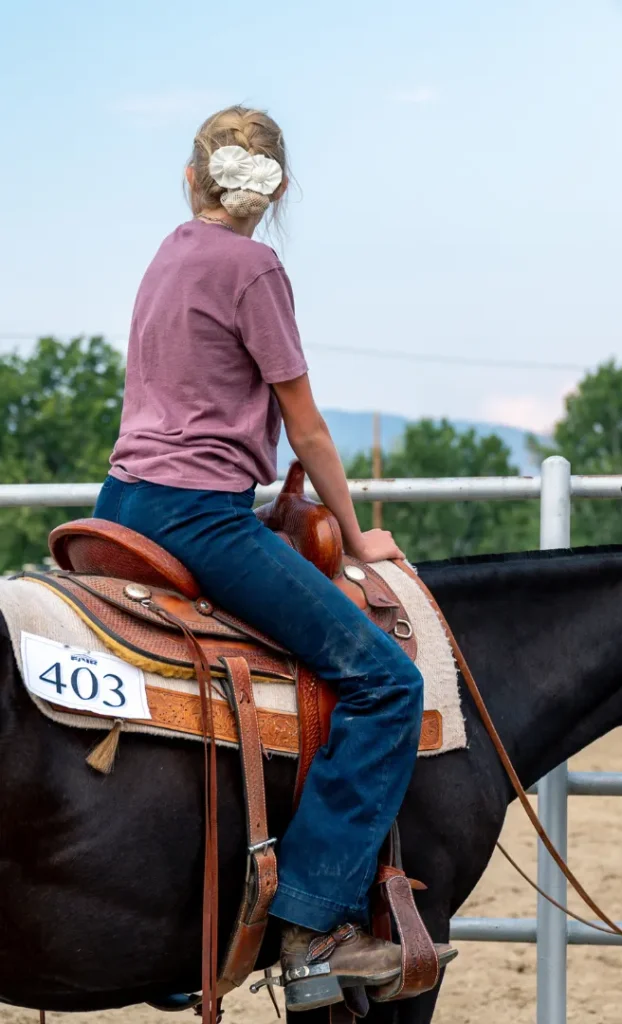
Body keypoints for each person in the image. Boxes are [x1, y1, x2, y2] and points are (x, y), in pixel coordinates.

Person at [94, 106, 453, 1007]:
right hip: (199, 517)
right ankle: (314, 923)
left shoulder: (170, 252)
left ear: (191, 177)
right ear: (279, 188)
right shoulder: (255, 269)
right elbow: (307, 426)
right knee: (387, 685)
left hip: (121, 503)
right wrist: (359, 533)